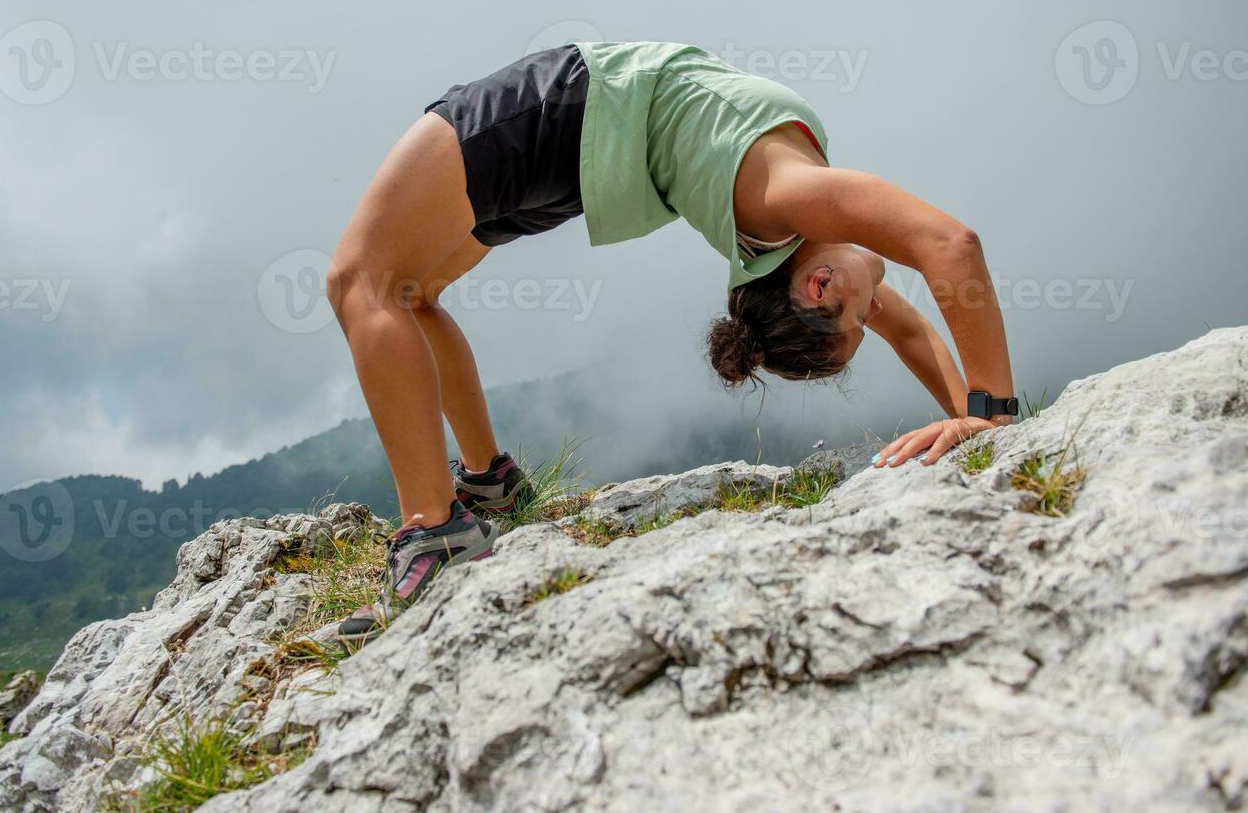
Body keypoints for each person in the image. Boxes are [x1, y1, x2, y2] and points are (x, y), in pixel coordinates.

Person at [329, 42, 1015, 642]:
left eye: (858, 323)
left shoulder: (791, 226)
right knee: (398, 290)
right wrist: (992, 417)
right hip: (580, 130)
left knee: (365, 281)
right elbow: (949, 247)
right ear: (819, 287)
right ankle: (485, 490)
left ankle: (439, 530)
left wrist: (975, 426)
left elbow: (918, 316)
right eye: (860, 322)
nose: (878, 314)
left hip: (577, 129)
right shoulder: (796, 207)